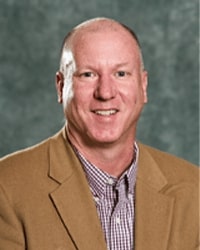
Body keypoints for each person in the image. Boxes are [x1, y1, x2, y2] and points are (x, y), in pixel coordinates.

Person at [0, 17, 199, 250]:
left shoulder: (194, 189)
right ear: (60, 86)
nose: (105, 92)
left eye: (121, 74)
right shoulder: (7, 188)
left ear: (143, 86)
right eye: (87, 74)